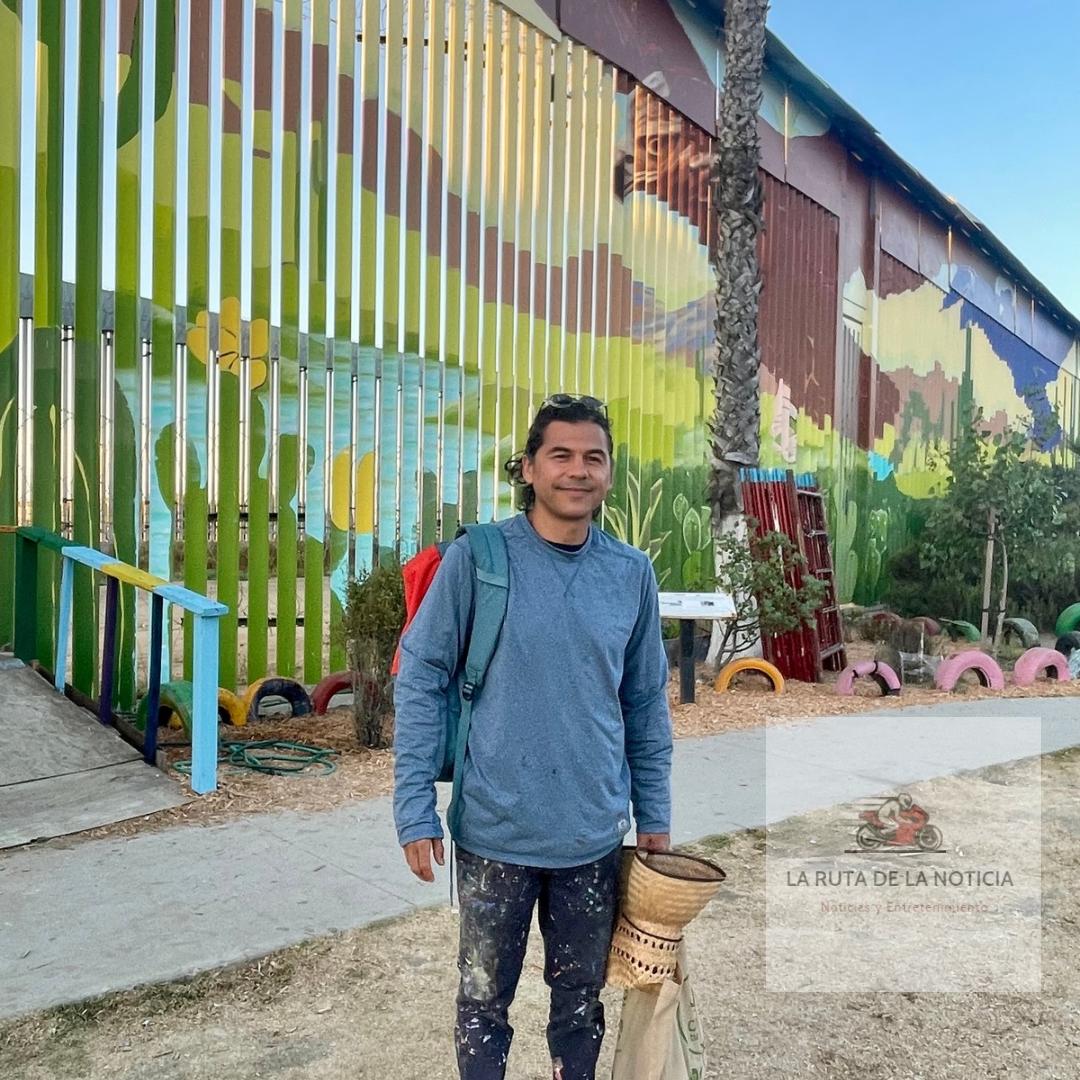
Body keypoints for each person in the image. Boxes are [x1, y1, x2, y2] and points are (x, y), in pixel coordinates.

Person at [393, 394, 673, 1080]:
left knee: (579, 1004)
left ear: (608, 473)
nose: (577, 471)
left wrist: (655, 813)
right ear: (528, 468)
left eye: (593, 458)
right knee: (484, 1003)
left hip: (593, 836)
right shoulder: (479, 560)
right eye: (561, 455)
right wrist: (412, 808)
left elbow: (644, 702)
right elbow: (421, 674)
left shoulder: (631, 573)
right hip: (495, 833)